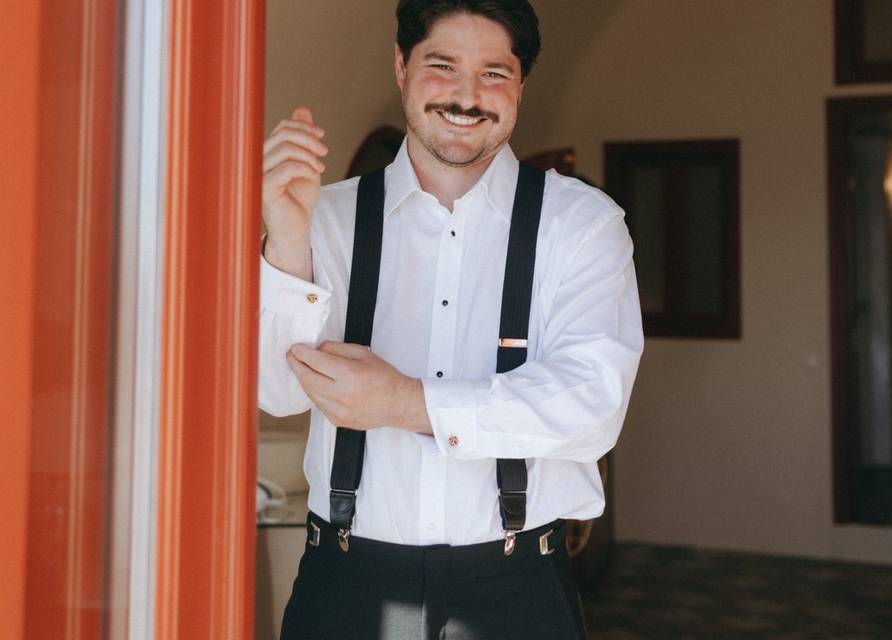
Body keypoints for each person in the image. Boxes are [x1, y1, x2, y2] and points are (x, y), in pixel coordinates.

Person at [259, 1, 643, 638]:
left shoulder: (583, 225)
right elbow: (274, 393)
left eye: (495, 73)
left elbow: (593, 405)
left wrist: (407, 403)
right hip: (345, 585)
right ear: (402, 69)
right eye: (443, 66)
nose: (468, 96)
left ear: (520, 86)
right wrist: (289, 243)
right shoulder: (324, 216)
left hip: (516, 592)